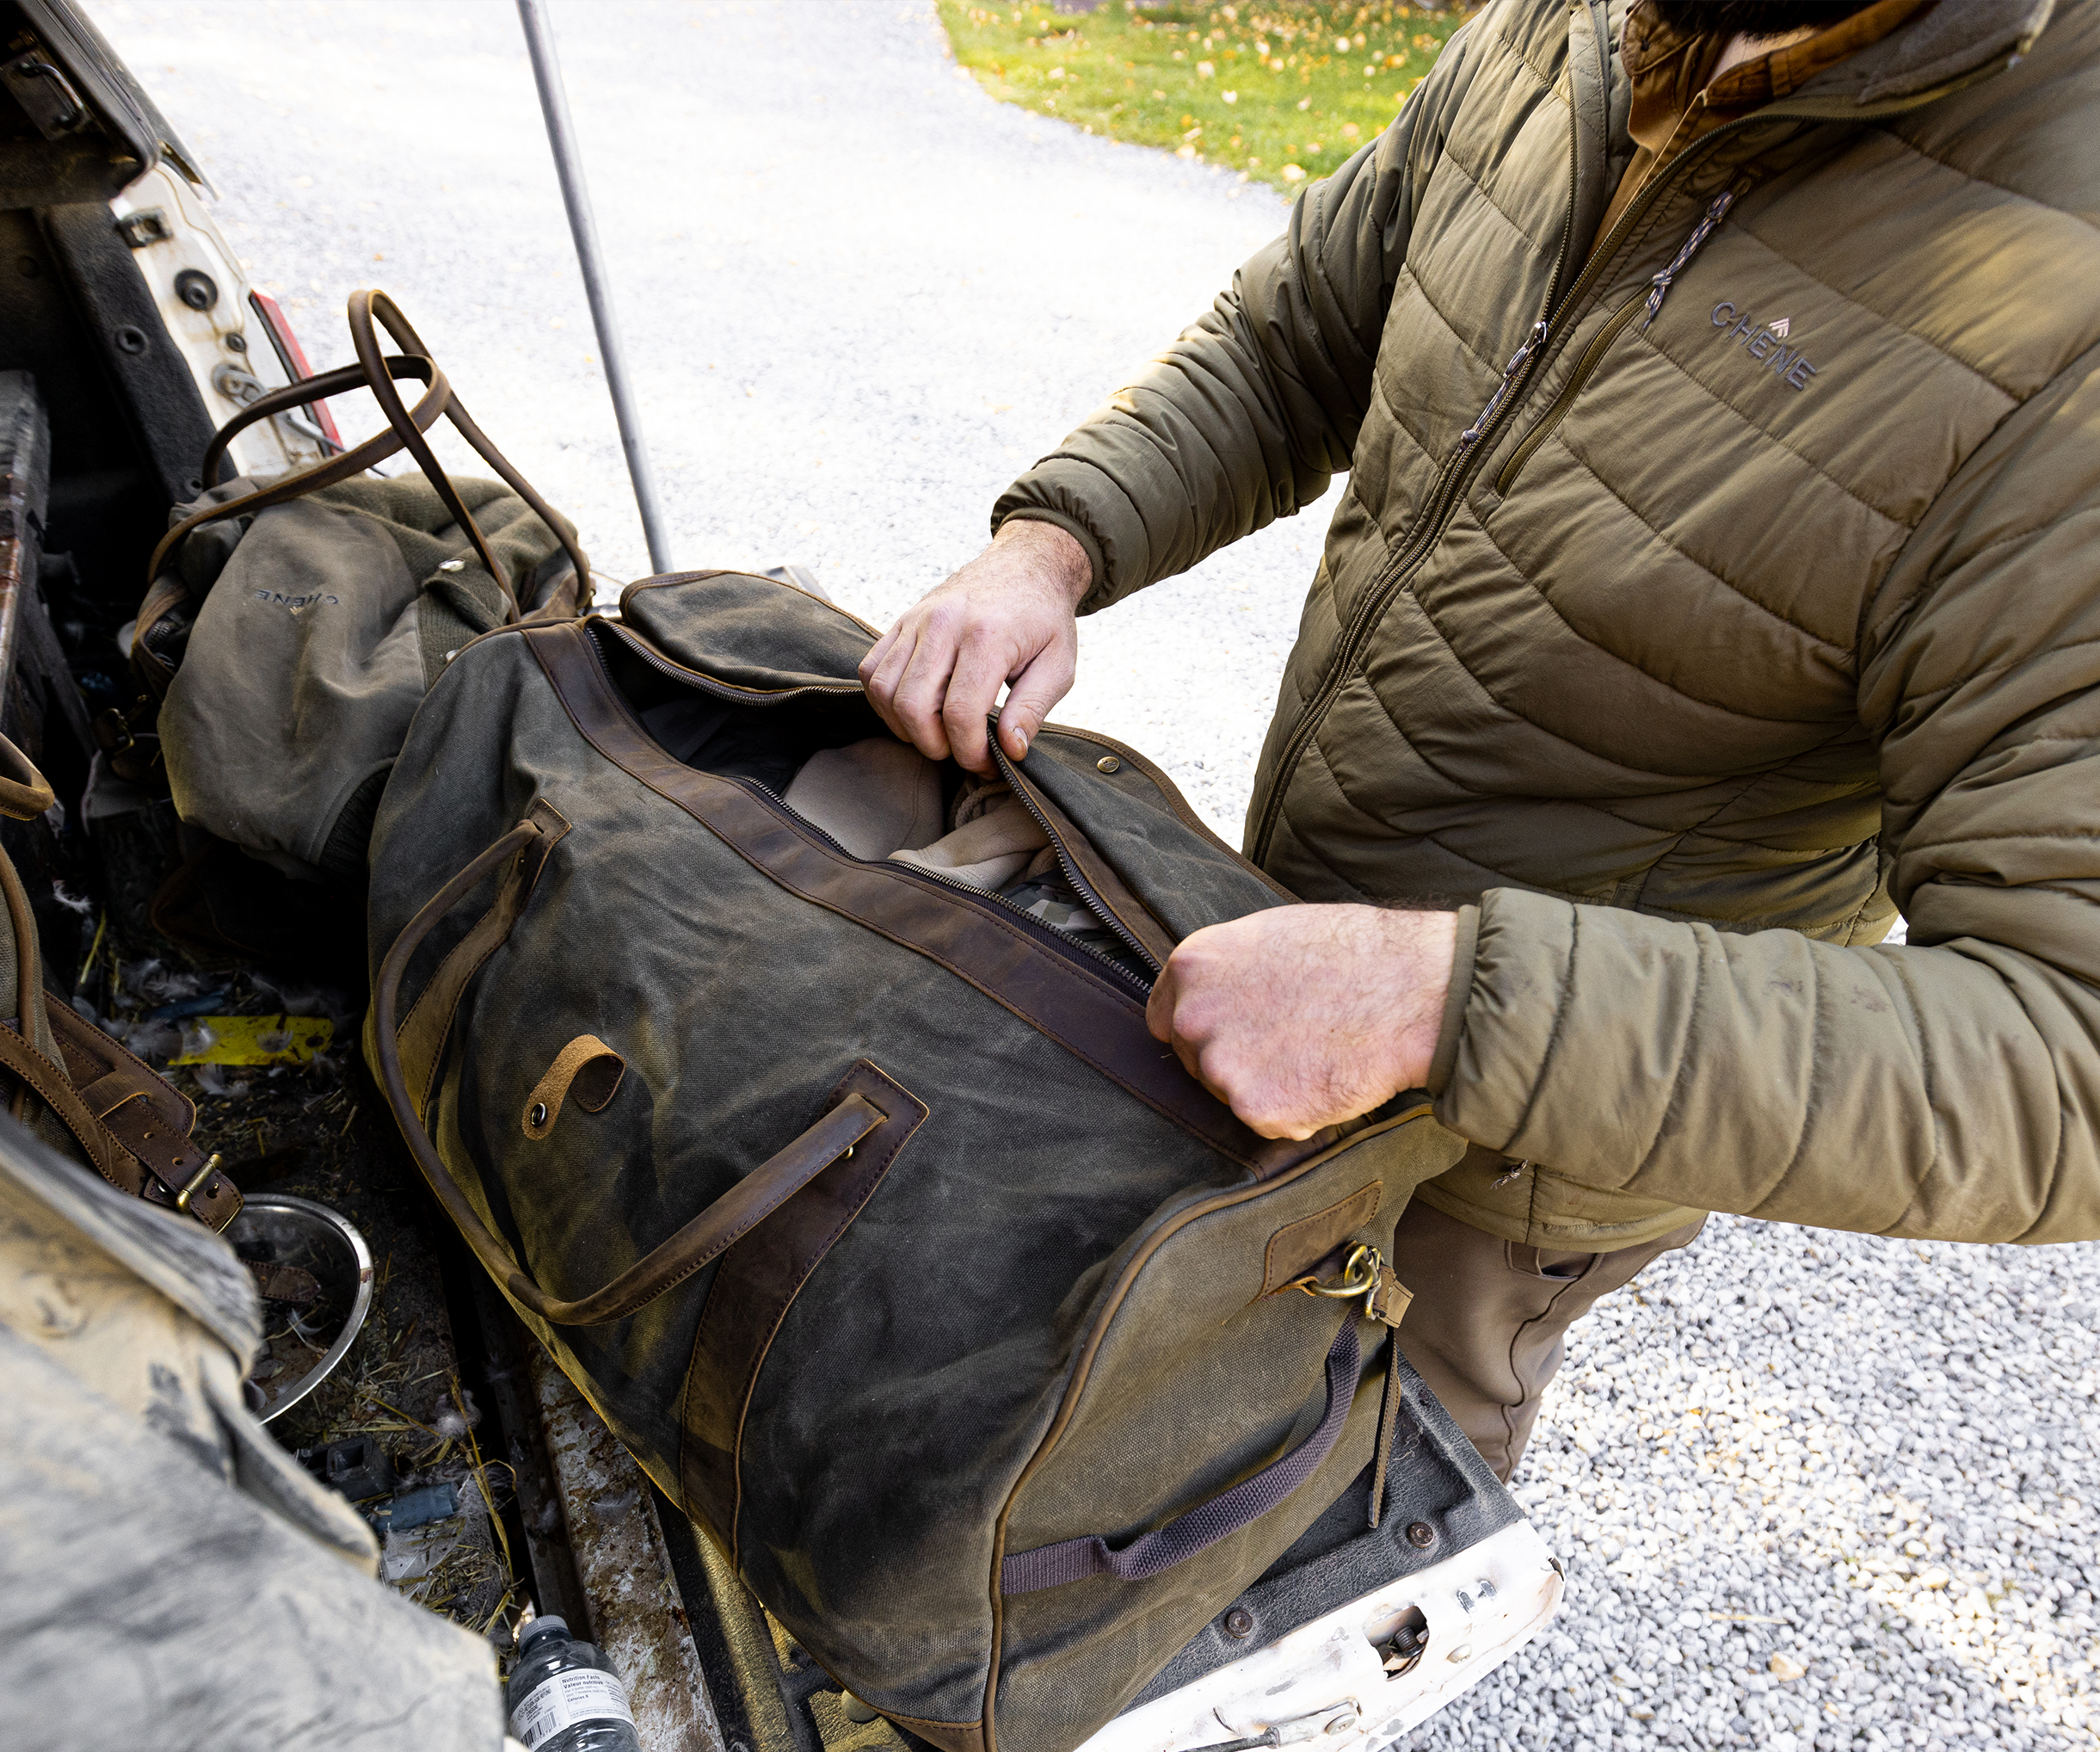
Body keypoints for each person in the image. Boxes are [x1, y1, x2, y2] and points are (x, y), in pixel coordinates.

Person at [859, 0, 2099, 1481]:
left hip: (1501, 1164)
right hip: (1291, 954)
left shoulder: (2066, 314)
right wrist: (1056, 541)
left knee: (1305, 1547)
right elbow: (1303, 333)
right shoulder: (1581, 26)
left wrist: (1444, 1003)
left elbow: (2067, 1056)